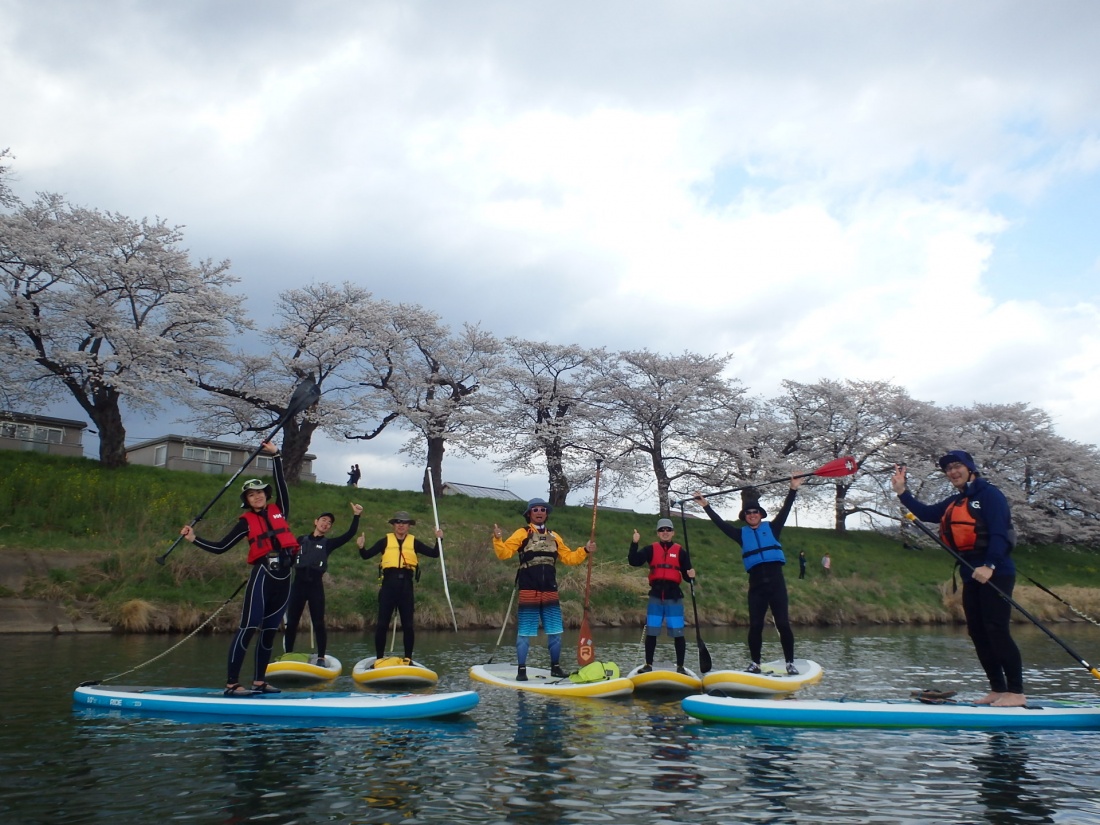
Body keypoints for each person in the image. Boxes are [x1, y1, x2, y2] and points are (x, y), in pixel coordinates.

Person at [891, 450, 1025, 707]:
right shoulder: (955, 501)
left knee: (997, 630)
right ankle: (998, 689)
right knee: (978, 632)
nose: (952, 472)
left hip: (995, 572)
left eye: (956, 466)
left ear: (970, 468)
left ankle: (1016, 692)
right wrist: (902, 492)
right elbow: (928, 513)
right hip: (970, 573)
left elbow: (1000, 533)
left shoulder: (990, 495)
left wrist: (990, 565)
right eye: (947, 469)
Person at [180, 441, 297, 696]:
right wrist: (194, 539)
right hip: (263, 576)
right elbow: (221, 548)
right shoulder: (246, 523)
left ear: (266, 495)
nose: (257, 496)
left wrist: (276, 456)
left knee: (269, 630)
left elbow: (283, 486)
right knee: (248, 626)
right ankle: (232, 684)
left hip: (285, 576)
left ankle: (259, 681)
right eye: (252, 494)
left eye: (261, 493)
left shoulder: (281, 511)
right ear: (246, 500)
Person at [693, 477, 805, 676]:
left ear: (760, 515)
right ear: (745, 517)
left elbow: (786, 510)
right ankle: (755, 663)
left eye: (755, 512)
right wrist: (705, 505)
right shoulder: (740, 534)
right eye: (748, 513)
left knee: (783, 624)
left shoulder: (772, 528)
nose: (752, 515)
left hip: (776, 583)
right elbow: (720, 524)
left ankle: (790, 663)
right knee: (755, 625)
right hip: (756, 586)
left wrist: (793, 489)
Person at [492, 497, 596, 681]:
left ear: (546, 514)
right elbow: (504, 553)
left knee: (555, 631)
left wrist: (585, 550)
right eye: (535, 509)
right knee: (525, 632)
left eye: (543, 510)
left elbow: (569, 558)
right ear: (529, 514)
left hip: (549, 588)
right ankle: (521, 670)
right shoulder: (522, 533)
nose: (540, 512)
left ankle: (555, 667)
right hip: (529, 587)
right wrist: (498, 539)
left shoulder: (555, 537)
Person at [283, 502, 363, 666]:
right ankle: (288, 655)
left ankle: (321, 657)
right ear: (316, 521)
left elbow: (349, 534)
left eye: (329, 523)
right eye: (323, 520)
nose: (325, 524)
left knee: (318, 622)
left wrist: (356, 516)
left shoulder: (329, 544)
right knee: (291, 623)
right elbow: (289, 560)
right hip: (298, 585)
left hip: (315, 587)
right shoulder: (300, 540)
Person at [358, 510, 442, 663]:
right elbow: (366, 556)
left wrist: (439, 539)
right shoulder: (385, 541)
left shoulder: (414, 542)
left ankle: (408, 658)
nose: (401, 525)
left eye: (404, 523)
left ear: (409, 526)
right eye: (398, 522)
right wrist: (361, 547)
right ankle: (379, 659)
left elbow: (435, 553)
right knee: (382, 624)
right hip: (388, 586)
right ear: (393, 525)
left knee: (408, 626)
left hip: (406, 587)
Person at [628, 518, 696, 674]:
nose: (665, 533)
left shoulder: (680, 551)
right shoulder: (651, 549)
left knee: (678, 633)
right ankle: (648, 664)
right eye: (662, 530)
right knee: (652, 631)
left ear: (673, 532)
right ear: (658, 533)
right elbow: (634, 561)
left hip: (674, 596)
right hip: (656, 595)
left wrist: (691, 576)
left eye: (668, 530)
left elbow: (687, 576)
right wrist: (634, 543)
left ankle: (680, 667)